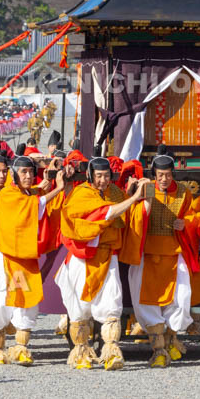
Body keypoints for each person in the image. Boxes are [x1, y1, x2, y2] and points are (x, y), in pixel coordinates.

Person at [57, 156, 147, 370]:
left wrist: (133, 195)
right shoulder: (82, 194)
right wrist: (133, 198)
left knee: (111, 303)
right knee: (79, 308)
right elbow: (106, 213)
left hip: (108, 255)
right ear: (90, 176)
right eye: (99, 176)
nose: (103, 180)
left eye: (107, 176)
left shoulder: (116, 194)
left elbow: (127, 216)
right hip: (83, 257)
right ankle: (80, 352)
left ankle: (111, 351)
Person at [0, 155, 65, 365]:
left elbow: (36, 195)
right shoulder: (8, 194)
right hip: (4, 256)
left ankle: (21, 347)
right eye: (24, 172)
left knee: (27, 301)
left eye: (30, 172)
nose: (28, 176)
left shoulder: (28, 192)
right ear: (14, 175)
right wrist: (58, 189)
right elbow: (33, 204)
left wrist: (51, 178)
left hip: (25, 257)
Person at [122, 148, 197, 367]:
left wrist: (186, 224)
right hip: (147, 252)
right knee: (147, 301)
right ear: (154, 174)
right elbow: (131, 216)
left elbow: (194, 216)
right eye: (160, 175)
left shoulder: (184, 192)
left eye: (168, 175)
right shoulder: (146, 190)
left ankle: (173, 338)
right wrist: (142, 202)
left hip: (174, 252)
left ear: (173, 173)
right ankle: (158, 349)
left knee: (181, 297)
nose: (164, 179)